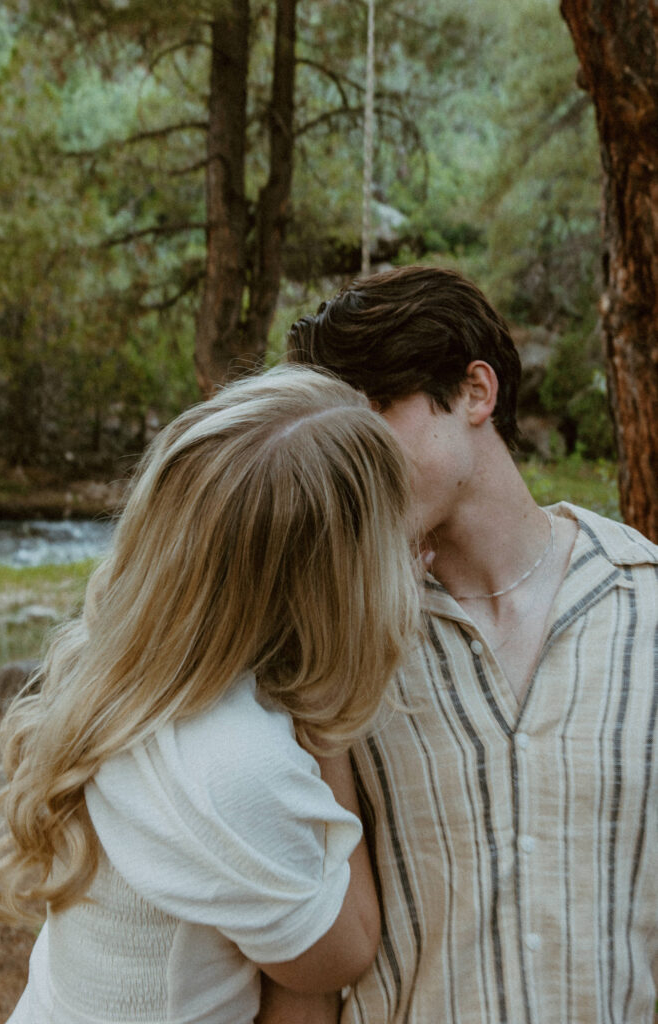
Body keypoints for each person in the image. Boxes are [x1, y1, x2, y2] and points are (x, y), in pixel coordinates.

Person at [275, 265, 658, 1024]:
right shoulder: (327, 644)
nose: (348, 466)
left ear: (474, 394)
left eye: (374, 415)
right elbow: (304, 964)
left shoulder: (646, 607)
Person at [0, 365, 422, 1024]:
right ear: (335, 585)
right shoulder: (232, 763)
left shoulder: (123, 664)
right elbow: (340, 955)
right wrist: (327, 715)